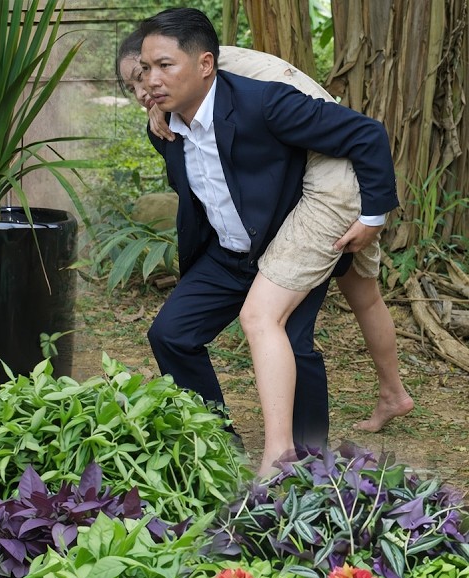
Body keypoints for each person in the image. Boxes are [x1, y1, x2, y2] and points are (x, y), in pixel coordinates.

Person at [116, 36, 413, 471]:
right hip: (229, 249)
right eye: (134, 84)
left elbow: (361, 133)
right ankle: (217, 440)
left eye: (150, 72)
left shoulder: (257, 100)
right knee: (171, 333)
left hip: (293, 233)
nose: (146, 89)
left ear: (197, 63)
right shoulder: (167, 124)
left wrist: (373, 214)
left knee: (293, 337)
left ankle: (309, 457)